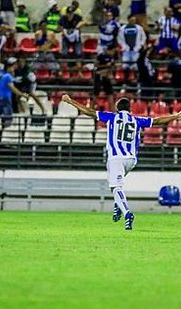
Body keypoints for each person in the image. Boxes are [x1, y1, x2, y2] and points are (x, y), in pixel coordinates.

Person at [61, 94, 181, 230]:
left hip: (116, 158)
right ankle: (118, 205)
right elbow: (157, 121)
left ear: (117, 108)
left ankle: (127, 213)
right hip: (131, 160)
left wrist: (71, 101)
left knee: (115, 187)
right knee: (116, 185)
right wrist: (175, 116)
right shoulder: (136, 119)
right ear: (130, 109)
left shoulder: (112, 117)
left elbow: (90, 112)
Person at [0, 57, 30, 127]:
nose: (16, 67)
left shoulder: (1, 74)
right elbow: (12, 88)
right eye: (14, 65)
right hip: (5, 99)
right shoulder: (8, 76)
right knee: (8, 118)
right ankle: (5, 132)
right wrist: (23, 95)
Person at [118, 15, 146, 84]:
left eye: (134, 20)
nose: (133, 21)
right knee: (125, 66)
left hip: (136, 50)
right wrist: (123, 46)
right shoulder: (122, 28)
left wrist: (141, 45)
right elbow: (119, 38)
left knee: (135, 67)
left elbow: (143, 37)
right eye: (132, 20)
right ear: (128, 20)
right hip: (126, 50)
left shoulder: (139, 28)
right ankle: (125, 82)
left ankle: (137, 82)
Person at [93, 45, 117, 111]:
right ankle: (91, 109)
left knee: (110, 94)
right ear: (109, 50)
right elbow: (96, 65)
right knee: (95, 93)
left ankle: (112, 112)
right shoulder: (101, 56)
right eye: (113, 51)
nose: (113, 53)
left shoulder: (112, 58)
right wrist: (105, 66)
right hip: (99, 76)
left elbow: (114, 67)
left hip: (107, 77)